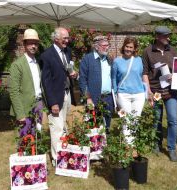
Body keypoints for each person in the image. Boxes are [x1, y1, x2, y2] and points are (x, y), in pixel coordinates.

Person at [40, 27, 78, 165]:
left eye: (68, 38)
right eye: (65, 38)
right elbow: (46, 81)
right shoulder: (46, 56)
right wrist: (52, 102)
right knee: (56, 128)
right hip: (55, 97)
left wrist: (73, 73)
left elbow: (68, 68)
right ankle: (57, 160)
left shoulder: (67, 51)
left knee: (63, 125)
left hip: (67, 93)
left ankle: (64, 152)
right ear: (56, 39)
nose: (67, 41)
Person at [142, 26, 177, 162]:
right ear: (157, 36)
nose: (169, 38)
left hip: (171, 91)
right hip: (156, 92)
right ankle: (156, 144)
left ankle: (171, 148)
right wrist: (148, 91)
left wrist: (175, 76)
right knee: (156, 119)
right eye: (166, 36)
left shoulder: (173, 50)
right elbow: (145, 72)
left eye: (169, 35)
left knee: (173, 119)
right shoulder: (147, 51)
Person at [111, 37, 146, 143]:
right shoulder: (117, 61)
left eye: (131, 47)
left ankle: (132, 142)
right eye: (127, 46)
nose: (128, 49)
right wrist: (116, 93)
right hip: (123, 94)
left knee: (135, 119)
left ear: (135, 49)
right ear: (123, 46)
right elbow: (113, 78)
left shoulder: (139, 60)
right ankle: (128, 146)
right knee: (126, 119)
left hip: (138, 94)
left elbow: (142, 75)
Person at [79, 35, 114, 134]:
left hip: (108, 98)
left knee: (107, 125)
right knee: (93, 126)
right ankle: (94, 147)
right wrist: (88, 98)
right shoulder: (87, 59)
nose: (106, 47)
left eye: (108, 45)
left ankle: (105, 145)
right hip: (93, 98)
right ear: (96, 46)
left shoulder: (109, 59)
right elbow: (82, 80)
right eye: (104, 45)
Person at [9, 29, 42, 125]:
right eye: (30, 43)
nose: (33, 46)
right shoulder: (17, 65)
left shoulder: (39, 62)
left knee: (37, 137)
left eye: (35, 44)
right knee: (25, 139)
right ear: (24, 44)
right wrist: (20, 114)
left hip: (38, 106)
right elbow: (14, 92)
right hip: (24, 109)